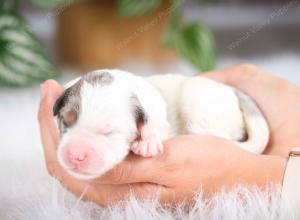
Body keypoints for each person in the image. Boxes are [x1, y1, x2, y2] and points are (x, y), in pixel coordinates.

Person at [38, 64, 300, 206]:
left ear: (143, 124)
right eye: (68, 124)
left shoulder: (148, 115)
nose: (77, 152)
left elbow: (157, 122)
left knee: (196, 97)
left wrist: (258, 173)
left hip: (216, 108)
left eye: (107, 132)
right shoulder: (90, 94)